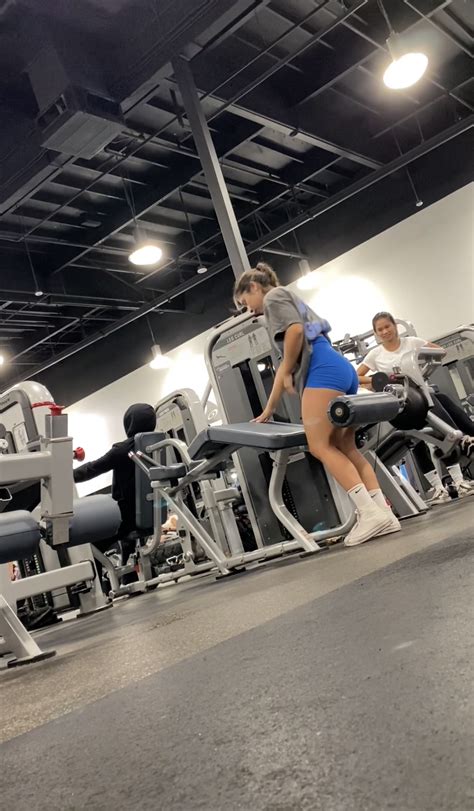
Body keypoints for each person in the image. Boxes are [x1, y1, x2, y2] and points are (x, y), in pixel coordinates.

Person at [233, 263, 400, 547]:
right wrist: (268, 410)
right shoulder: (288, 297)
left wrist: (286, 370)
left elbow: (296, 332)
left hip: (323, 371)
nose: (248, 309)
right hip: (340, 369)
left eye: (244, 302)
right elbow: (291, 353)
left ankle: (369, 513)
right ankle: (383, 513)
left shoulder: (273, 297)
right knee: (346, 448)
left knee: (319, 446)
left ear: (253, 288)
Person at [357, 312, 474, 499]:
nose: (385, 331)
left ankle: (459, 480)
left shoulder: (411, 342)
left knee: (442, 420)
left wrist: (421, 366)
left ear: (395, 326)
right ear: (376, 333)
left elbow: (440, 352)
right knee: (418, 440)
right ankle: (437, 488)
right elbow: (357, 376)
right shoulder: (375, 354)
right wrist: (380, 379)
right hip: (401, 404)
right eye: (380, 329)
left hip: (421, 393)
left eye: (387, 326)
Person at [73, 403, 157, 568]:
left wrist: (63, 476)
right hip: (154, 513)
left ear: (129, 422)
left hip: (125, 519)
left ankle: (97, 589)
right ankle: (130, 576)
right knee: (125, 537)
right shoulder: (161, 443)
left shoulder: (123, 449)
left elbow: (92, 469)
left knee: (90, 547)